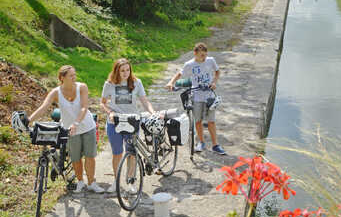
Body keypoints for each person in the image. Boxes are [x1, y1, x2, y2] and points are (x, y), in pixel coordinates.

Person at [28, 65, 104, 194]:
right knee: (75, 158)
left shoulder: (82, 87)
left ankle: (91, 183)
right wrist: (29, 119)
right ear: (62, 78)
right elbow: (44, 107)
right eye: (71, 75)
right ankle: (80, 182)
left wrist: (76, 123)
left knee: (90, 157)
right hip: (70, 130)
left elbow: (84, 108)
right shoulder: (56, 92)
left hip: (87, 126)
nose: (74, 77)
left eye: (75, 74)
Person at [101, 58, 155, 193]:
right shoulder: (109, 84)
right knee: (117, 154)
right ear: (116, 71)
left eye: (127, 70)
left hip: (132, 121)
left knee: (131, 153)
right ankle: (116, 181)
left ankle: (131, 181)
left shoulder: (137, 83)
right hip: (115, 122)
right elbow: (102, 102)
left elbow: (144, 101)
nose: (125, 73)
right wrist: (110, 112)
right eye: (122, 70)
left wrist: (153, 112)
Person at [166, 42, 226, 155]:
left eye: (205, 55)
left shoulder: (210, 60)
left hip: (209, 95)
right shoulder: (189, 64)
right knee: (197, 121)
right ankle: (201, 142)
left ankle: (215, 145)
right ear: (195, 53)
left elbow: (217, 72)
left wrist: (214, 82)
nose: (204, 57)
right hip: (197, 95)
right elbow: (179, 74)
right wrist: (171, 82)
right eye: (202, 55)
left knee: (211, 121)